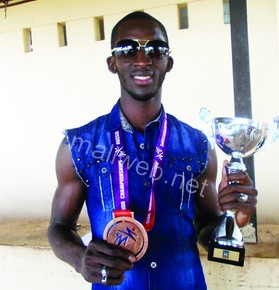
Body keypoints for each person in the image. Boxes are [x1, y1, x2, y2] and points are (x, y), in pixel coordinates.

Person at [48, 11, 257, 290]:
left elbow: (208, 226)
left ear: (168, 62)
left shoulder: (198, 146)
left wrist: (234, 221)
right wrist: (80, 258)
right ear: (113, 63)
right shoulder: (78, 146)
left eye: (155, 50)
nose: (143, 60)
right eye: (127, 49)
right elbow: (58, 227)